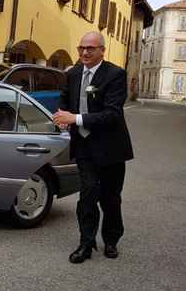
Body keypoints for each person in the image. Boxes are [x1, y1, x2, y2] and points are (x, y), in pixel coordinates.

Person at [53, 32, 134, 264]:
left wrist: (75, 119)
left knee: (110, 199)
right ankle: (86, 244)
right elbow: (65, 100)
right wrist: (61, 117)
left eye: (90, 48)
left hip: (111, 149)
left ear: (102, 51)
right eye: (81, 48)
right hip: (85, 147)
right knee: (87, 196)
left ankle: (111, 240)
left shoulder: (115, 75)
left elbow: (112, 114)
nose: (85, 52)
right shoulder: (73, 74)